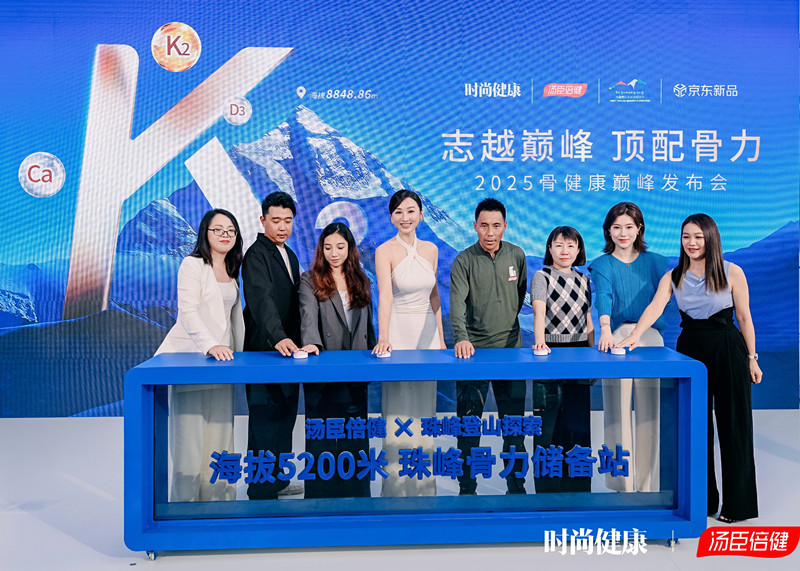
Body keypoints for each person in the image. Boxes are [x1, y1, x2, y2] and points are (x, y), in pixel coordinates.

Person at [618, 213, 762, 523]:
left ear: (711, 238)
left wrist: (752, 358)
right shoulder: (673, 276)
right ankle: (703, 501)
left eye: (698, 236)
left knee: (734, 426)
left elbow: (744, 317)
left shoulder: (732, 272)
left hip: (728, 348)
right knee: (695, 427)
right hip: (690, 350)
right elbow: (655, 307)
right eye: (686, 236)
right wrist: (634, 335)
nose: (692, 243)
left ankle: (738, 507)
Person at [155, 208, 244, 502]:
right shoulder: (192, 264)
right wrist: (210, 345)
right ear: (205, 233)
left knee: (221, 436)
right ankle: (185, 506)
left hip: (225, 363)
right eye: (218, 229)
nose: (225, 235)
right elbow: (188, 312)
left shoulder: (232, 269)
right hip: (193, 359)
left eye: (230, 230)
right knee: (189, 439)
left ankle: (221, 503)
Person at [450, 198, 528, 495]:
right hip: (473, 355)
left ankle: (516, 488)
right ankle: (467, 489)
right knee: (468, 428)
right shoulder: (464, 260)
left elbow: (519, 294)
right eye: (484, 226)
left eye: (496, 226)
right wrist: (462, 337)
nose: (490, 232)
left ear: (505, 226)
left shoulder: (517, 255)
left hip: (511, 351)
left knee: (515, 428)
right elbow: (457, 304)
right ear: (475, 226)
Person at [588, 202, 667, 493]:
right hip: (617, 336)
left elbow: (662, 302)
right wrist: (606, 330)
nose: (623, 233)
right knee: (616, 410)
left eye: (629, 227)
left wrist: (639, 332)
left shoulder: (657, 263)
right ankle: (620, 484)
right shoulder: (602, 264)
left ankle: (648, 486)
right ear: (608, 230)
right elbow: (604, 296)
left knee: (650, 412)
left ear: (639, 229)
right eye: (617, 227)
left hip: (650, 338)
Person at [373, 189, 446, 497]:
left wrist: (441, 337)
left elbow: (434, 297)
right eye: (399, 212)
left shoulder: (431, 249)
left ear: (421, 215)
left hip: (428, 333)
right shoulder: (384, 250)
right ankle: (395, 487)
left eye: (411, 211)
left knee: (425, 409)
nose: (405, 217)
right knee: (398, 408)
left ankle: (424, 486)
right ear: (391, 217)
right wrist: (384, 337)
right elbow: (385, 297)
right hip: (398, 331)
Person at [298, 222, 375, 498]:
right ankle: (319, 501)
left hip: (356, 368)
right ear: (321, 249)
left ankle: (357, 498)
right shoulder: (310, 279)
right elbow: (307, 315)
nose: (334, 253)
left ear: (350, 248)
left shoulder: (361, 279)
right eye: (328, 247)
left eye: (340, 247)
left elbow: (367, 325)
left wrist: (374, 352)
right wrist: (311, 343)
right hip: (323, 370)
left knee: (355, 436)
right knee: (322, 437)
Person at [241, 191, 302, 500]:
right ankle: (260, 490)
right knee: (265, 420)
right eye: (276, 220)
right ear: (262, 220)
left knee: (285, 416)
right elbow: (262, 300)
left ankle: (277, 481)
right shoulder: (256, 255)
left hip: (289, 351)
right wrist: (278, 337)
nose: (282, 227)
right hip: (264, 350)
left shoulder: (289, 254)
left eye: (288, 221)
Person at [531, 227, 594, 493]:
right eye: (558, 245)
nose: (564, 251)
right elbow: (539, 313)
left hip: (580, 353)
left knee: (578, 425)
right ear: (550, 249)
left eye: (570, 245)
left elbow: (588, 319)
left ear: (578, 250)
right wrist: (540, 343)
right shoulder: (541, 276)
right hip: (550, 352)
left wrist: (592, 354)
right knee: (547, 426)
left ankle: (578, 491)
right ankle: (546, 493)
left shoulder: (584, 280)